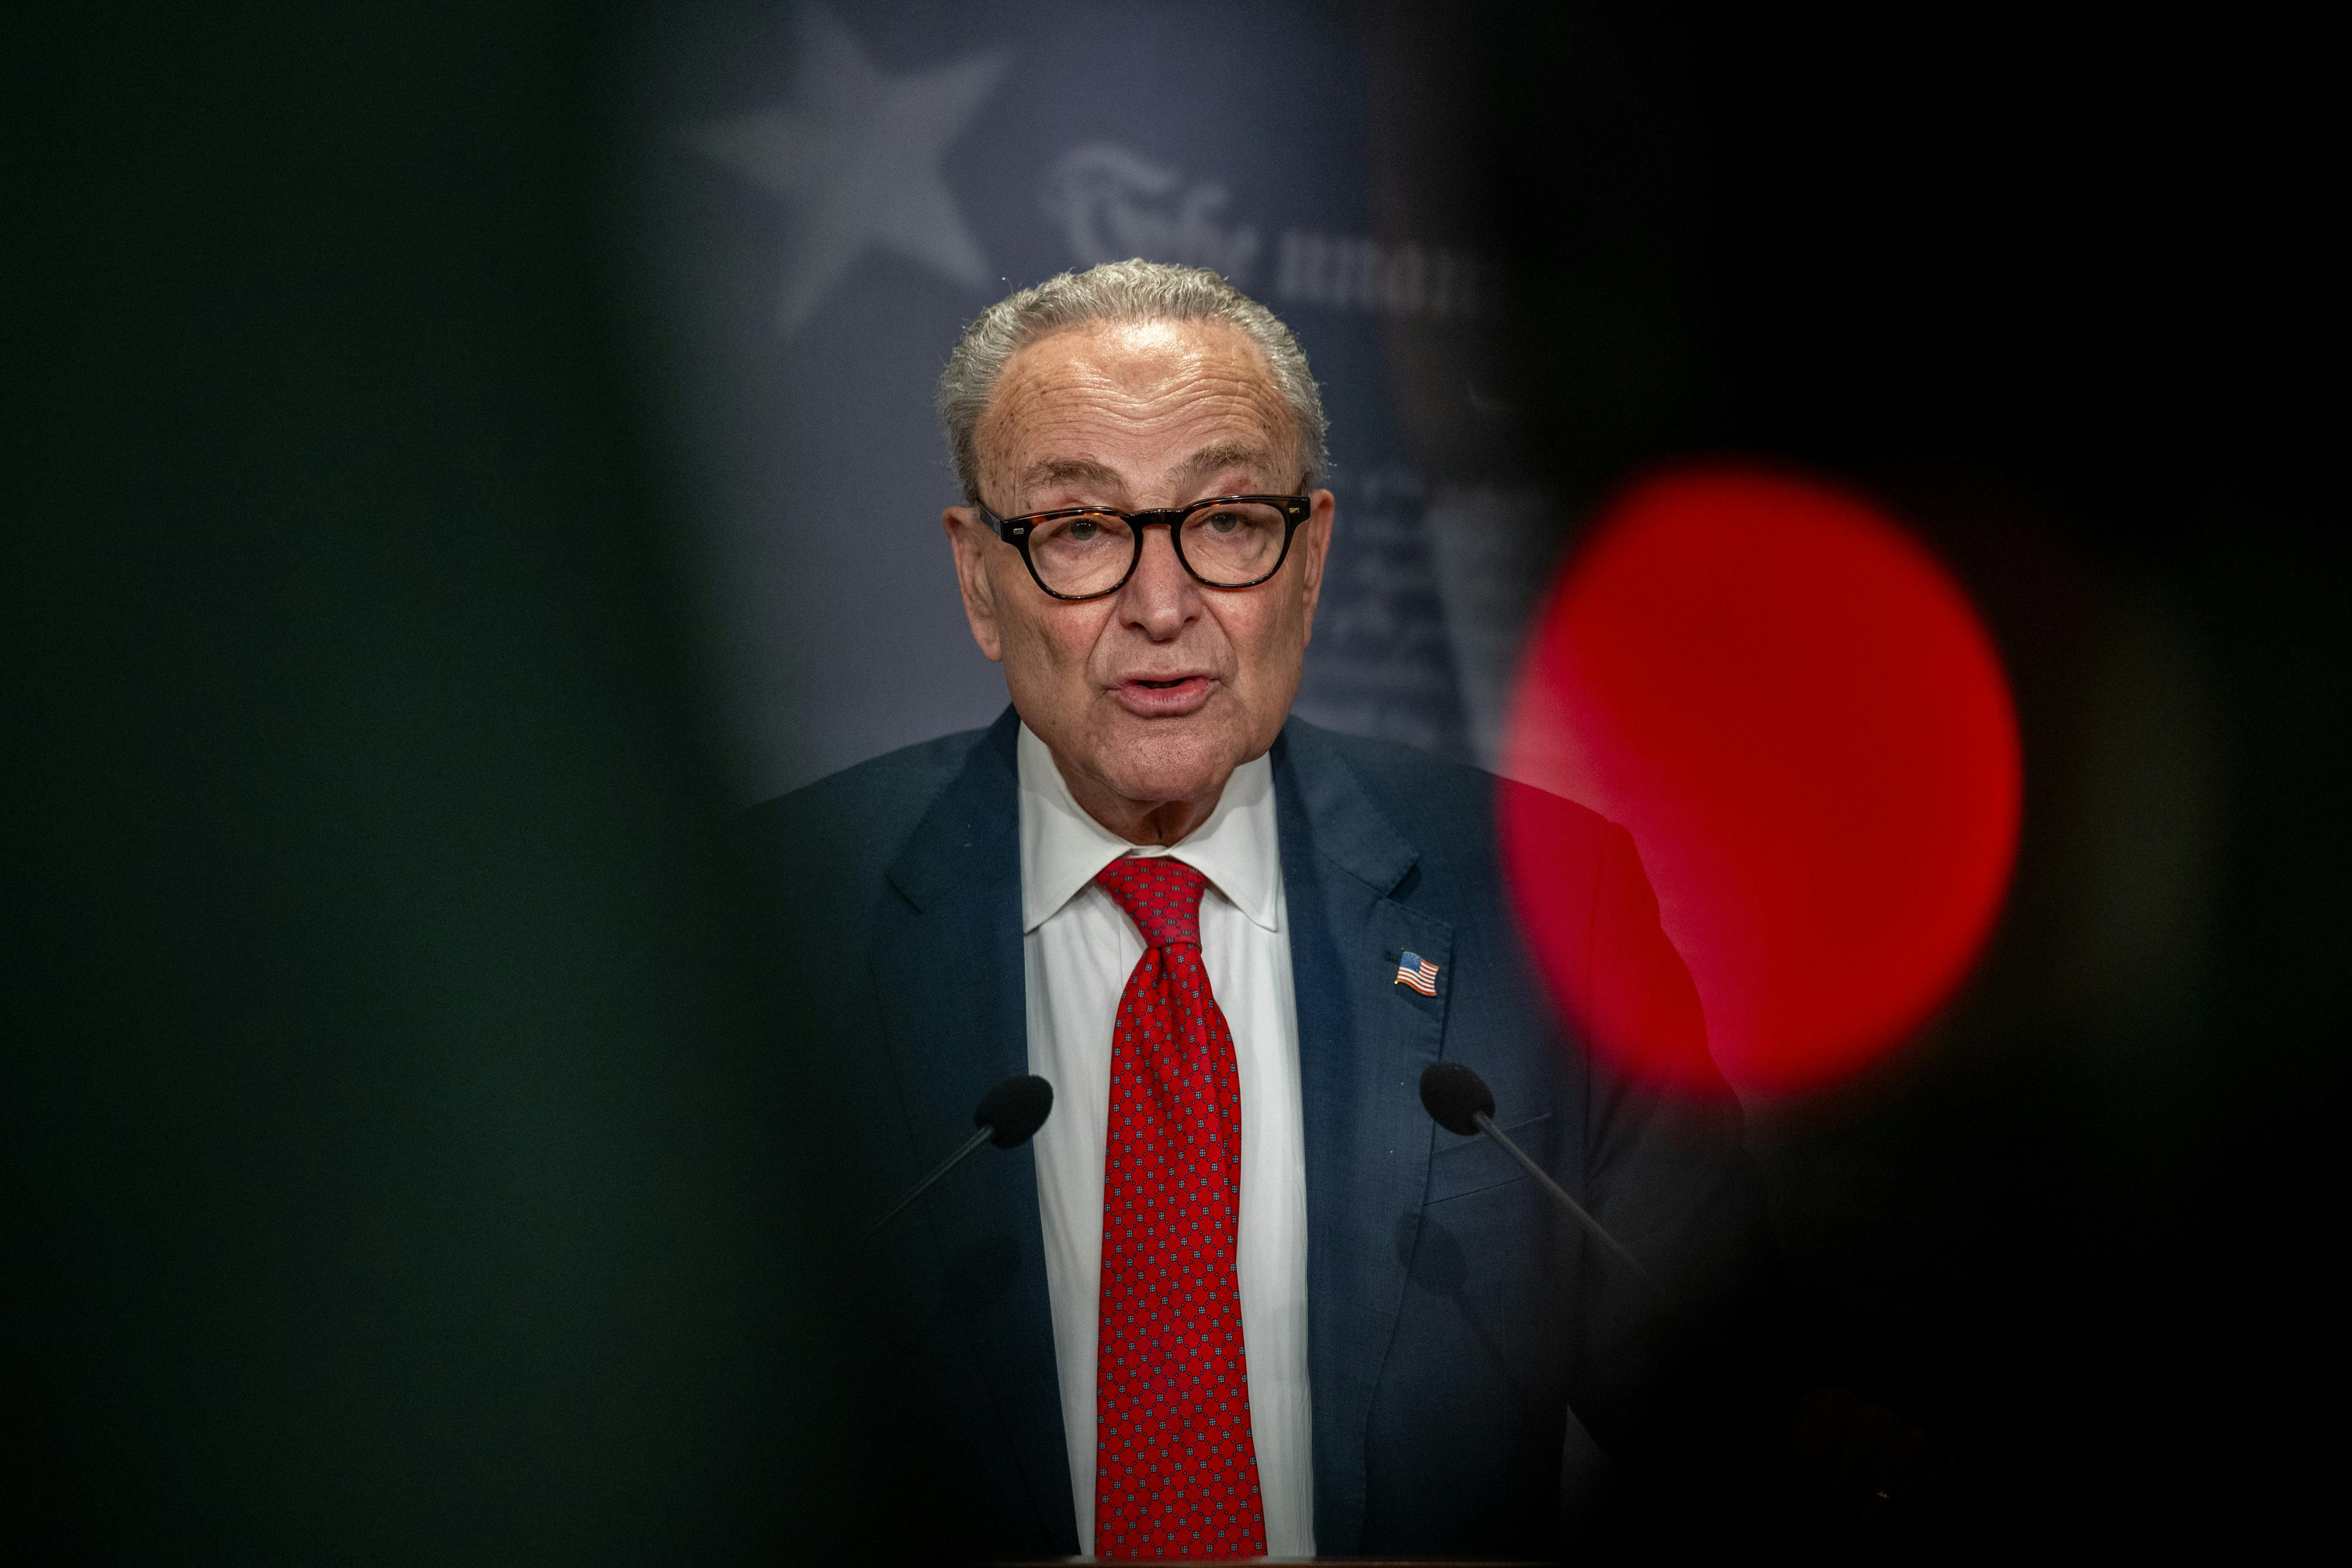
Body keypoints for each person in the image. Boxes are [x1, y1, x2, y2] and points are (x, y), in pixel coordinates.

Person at [743, 259, 1788, 1560]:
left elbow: (1745, 1426)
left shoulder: (1545, 896)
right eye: (1079, 529)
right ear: (976, 580)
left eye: (1228, 519)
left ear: (1309, 558)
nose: (1163, 603)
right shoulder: (765, 928)